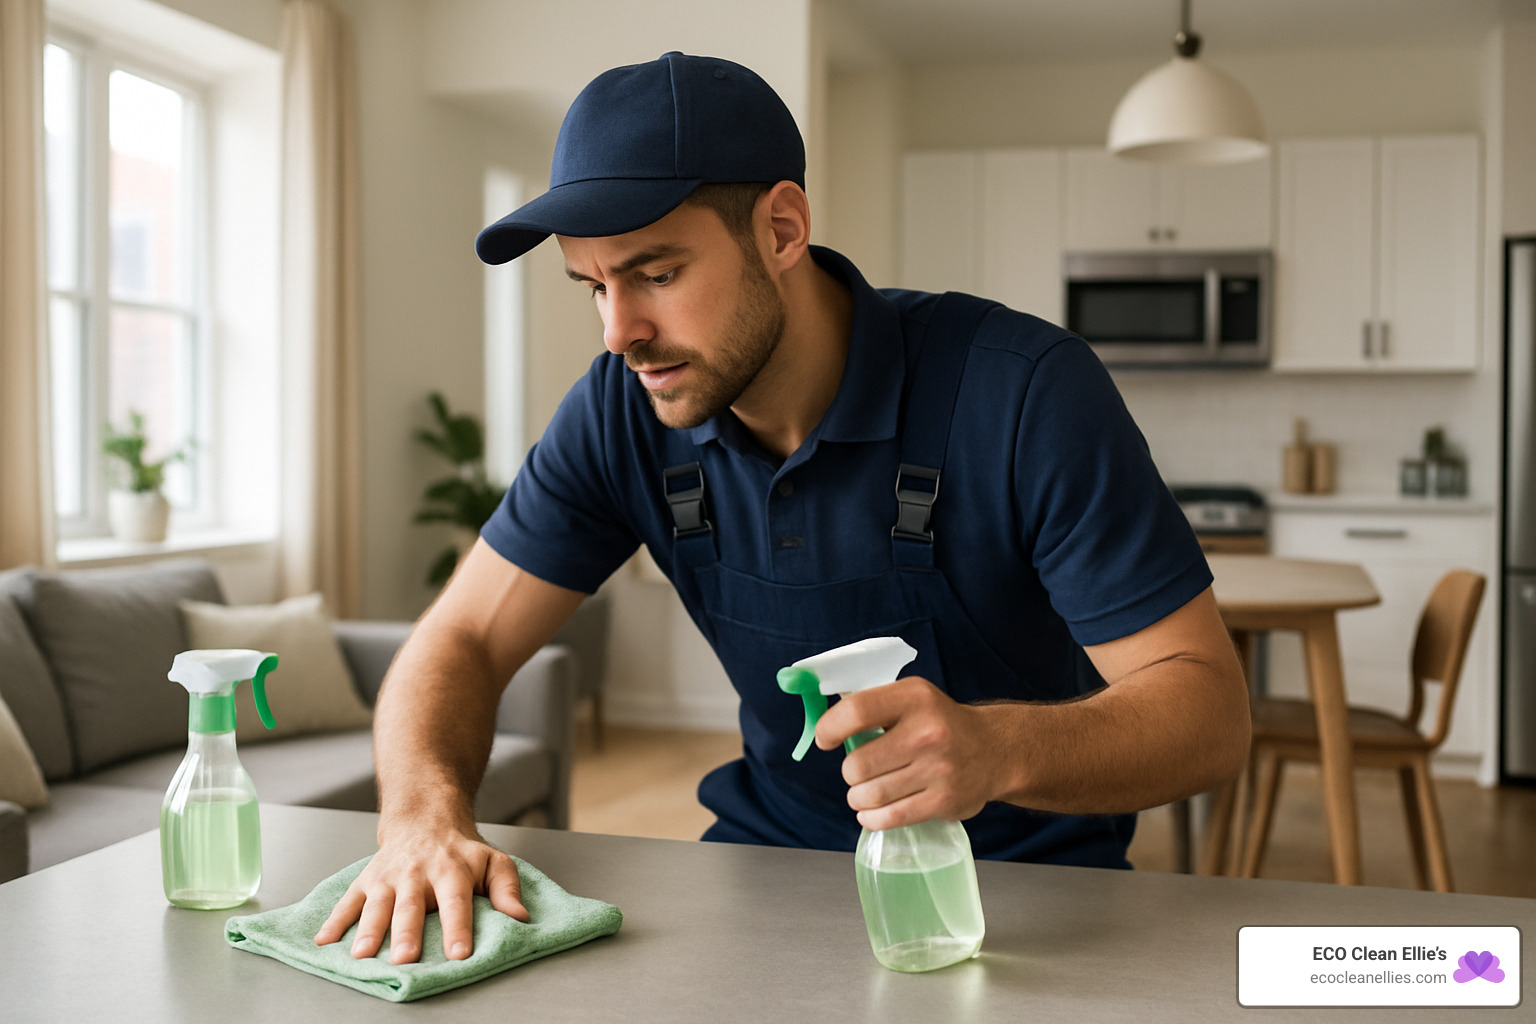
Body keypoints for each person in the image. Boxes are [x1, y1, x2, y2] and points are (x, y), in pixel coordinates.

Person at [315, 51, 1250, 965]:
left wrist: (995, 746)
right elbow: (459, 640)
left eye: (657, 273)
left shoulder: (1023, 393)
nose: (619, 332)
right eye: (594, 285)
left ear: (783, 229)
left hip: (1028, 899)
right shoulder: (620, 409)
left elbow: (1207, 711)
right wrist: (421, 817)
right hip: (762, 875)